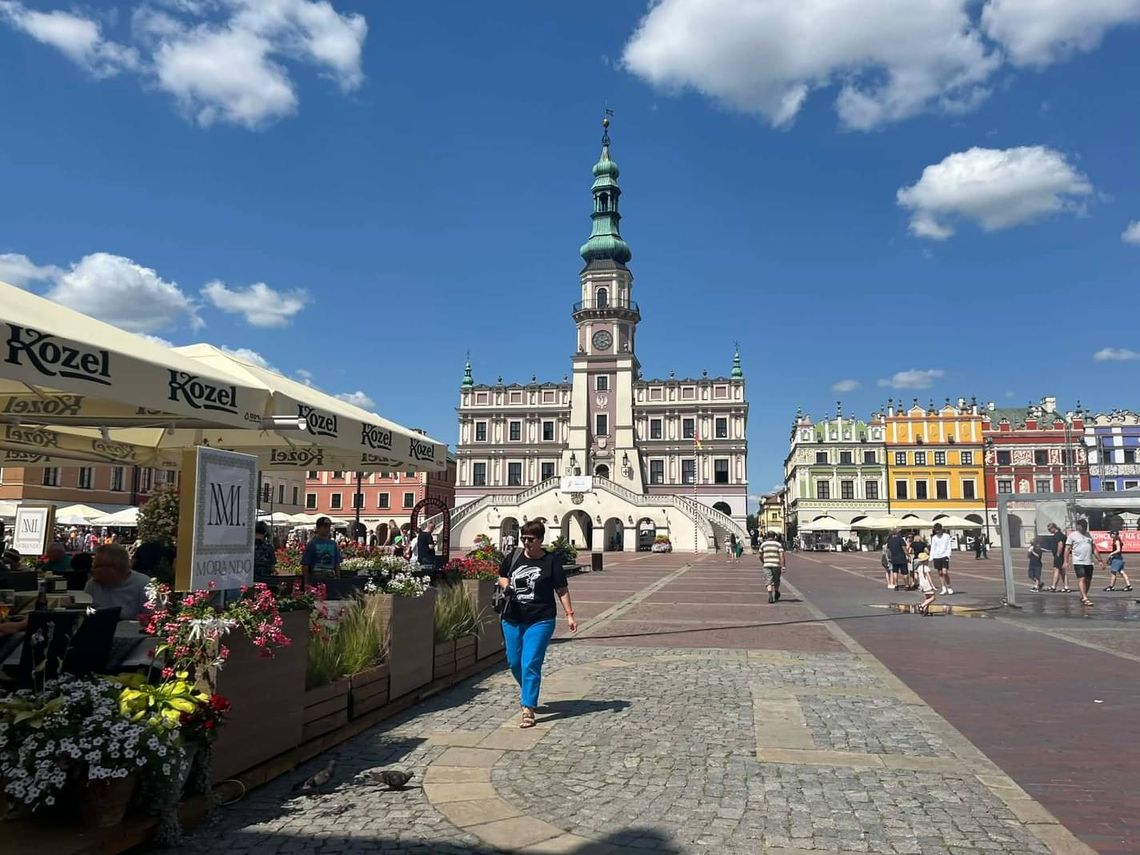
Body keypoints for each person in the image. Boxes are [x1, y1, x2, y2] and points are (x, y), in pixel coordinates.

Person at [498, 519, 576, 729]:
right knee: (514, 662)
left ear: (541, 540)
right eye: (523, 538)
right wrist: (506, 587)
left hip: (541, 619)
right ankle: (529, 690)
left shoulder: (551, 561)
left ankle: (528, 708)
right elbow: (502, 576)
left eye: (530, 539)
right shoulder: (514, 556)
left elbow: (562, 589)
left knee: (530, 661)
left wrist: (569, 614)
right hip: (512, 617)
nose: (526, 542)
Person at [84, 544, 150, 620]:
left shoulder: (143, 584)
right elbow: (86, 613)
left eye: (96, 566)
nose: (92, 570)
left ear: (114, 567)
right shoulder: (92, 584)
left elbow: (151, 618)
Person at [1065, 519, 1104, 607]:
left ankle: (1083, 595)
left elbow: (1094, 548)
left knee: (1088, 580)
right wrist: (1066, 561)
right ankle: (1085, 598)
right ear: (1078, 526)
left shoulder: (1088, 535)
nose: (1084, 528)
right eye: (1083, 527)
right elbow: (1067, 549)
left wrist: (1100, 560)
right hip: (1078, 561)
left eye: (1086, 527)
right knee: (1081, 579)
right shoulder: (1072, 536)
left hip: (1089, 561)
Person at [301, 517, 342, 581]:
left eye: (329, 527)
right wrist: (306, 582)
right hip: (316, 578)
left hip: (331, 578)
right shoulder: (312, 544)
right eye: (325, 527)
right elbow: (305, 565)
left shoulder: (333, 544)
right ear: (318, 528)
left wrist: (338, 579)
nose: (327, 529)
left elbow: (337, 564)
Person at [760, 531, 785, 604]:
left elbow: (760, 555)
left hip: (767, 565)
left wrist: (763, 561)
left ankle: (770, 595)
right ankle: (776, 591)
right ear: (774, 536)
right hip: (776, 565)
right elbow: (781, 555)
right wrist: (783, 566)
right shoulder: (778, 544)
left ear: (767, 536)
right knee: (776, 579)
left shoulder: (763, 544)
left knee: (769, 580)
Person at [929, 523, 954, 596]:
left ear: (941, 529)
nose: (937, 532)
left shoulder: (946, 536)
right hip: (937, 556)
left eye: (938, 530)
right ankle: (943, 588)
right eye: (936, 530)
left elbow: (949, 545)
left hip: (944, 555)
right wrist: (931, 556)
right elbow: (933, 547)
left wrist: (948, 554)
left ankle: (949, 586)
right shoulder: (934, 538)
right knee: (940, 573)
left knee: (945, 572)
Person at [1045, 522, 1070, 593]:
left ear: (1053, 528)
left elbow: (1060, 545)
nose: (1049, 531)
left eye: (1049, 529)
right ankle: (1066, 586)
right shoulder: (1061, 535)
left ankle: (1053, 586)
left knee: (1056, 570)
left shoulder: (1057, 535)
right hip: (1062, 555)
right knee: (1063, 571)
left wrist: (1058, 554)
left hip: (1059, 556)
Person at [914, 551, 936, 615]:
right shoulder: (926, 568)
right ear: (925, 560)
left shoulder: (919, 568)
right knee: (933, 598)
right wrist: (932, 585)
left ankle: (925, 611)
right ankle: (922, 605)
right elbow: (929, 578)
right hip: (927, 584)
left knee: (927, 598)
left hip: (922, 584)